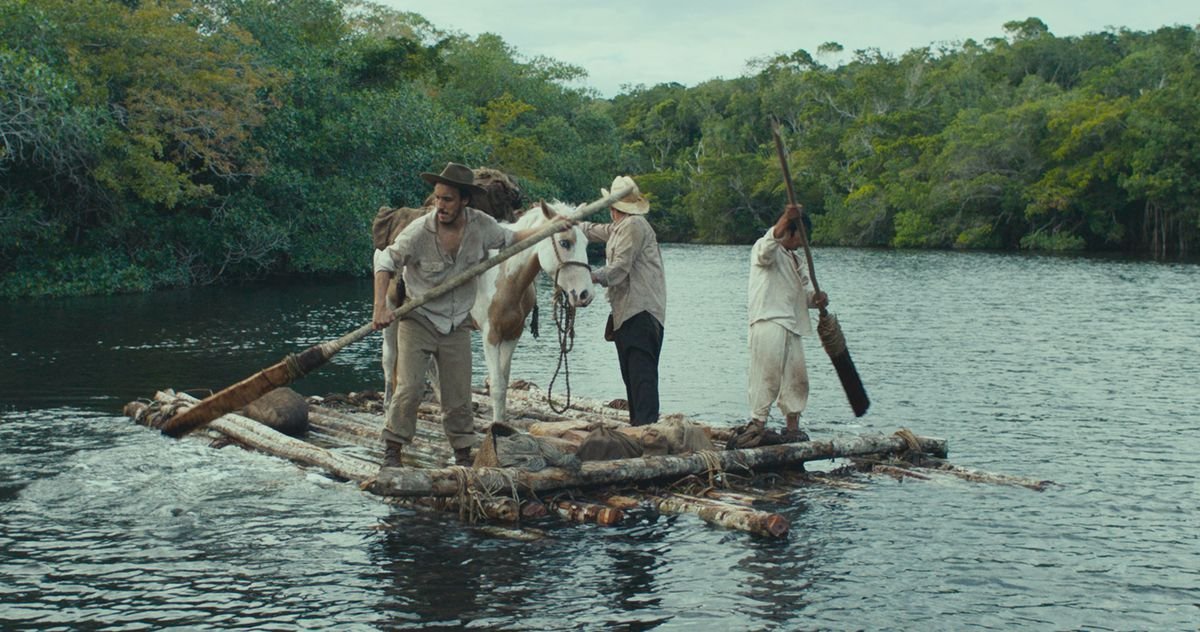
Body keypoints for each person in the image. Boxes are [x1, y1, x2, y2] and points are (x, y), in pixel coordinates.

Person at [371, 162, 550, 469]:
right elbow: (384, 261)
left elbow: (512, 239)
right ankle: (393, 451)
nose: (440, 205)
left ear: (465, 200)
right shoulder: (419, 231)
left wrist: (548, 230)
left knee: (458, 397)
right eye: (438, 198)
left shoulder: (481, 226)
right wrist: (380, 307)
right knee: (410, 388)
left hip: (456, 323)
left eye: (448, 199)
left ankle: (463, 454)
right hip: (419, 318)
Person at [579, 176, 666, 426]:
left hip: (641, 311)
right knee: (633, 377)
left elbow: (619, 269)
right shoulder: (620, 226)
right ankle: (640, 429)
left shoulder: (634, 225)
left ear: (612, 207)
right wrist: (568, 221)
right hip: (626, 314)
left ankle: (646, 431)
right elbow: (592, 230)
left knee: (642, 378)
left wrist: (590, 276)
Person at [746, 203, 828, 440]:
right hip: (769, 320)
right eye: (800, 236)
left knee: (796, 379)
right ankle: (757, 424)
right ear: (789, 232)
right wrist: (785, 218)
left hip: (793, 324)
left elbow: (803, 294)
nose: (802, 242)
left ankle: (792, 427)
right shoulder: (765, 248)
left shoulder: (796, 259)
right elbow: (766, 248)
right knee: (766, 376)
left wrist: (817, 299)